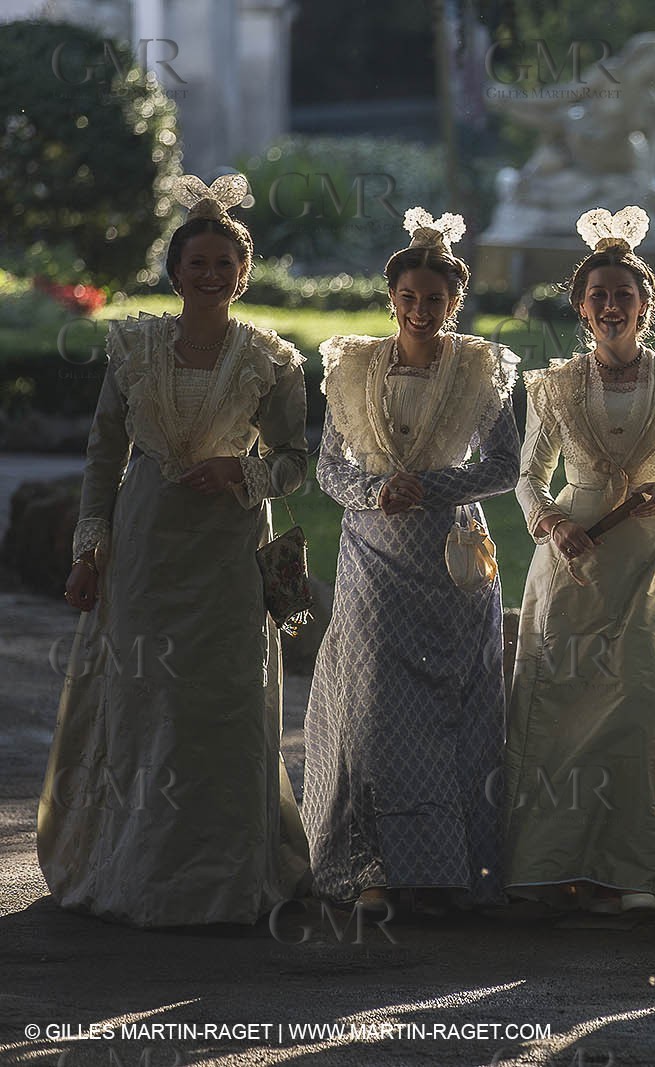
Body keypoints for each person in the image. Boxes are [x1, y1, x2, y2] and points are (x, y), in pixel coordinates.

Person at [38, 174, 310, 927]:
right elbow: (102, 458)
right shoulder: (133, 347)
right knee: (143, 700)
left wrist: (242, 469)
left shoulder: (272, 359)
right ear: (176, 270)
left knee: (221, 704)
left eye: (226, 263)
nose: (213, 275)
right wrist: (87, 553)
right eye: (199, 262)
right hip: (145, 545)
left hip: (227, 547)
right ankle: (134, 861)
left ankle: (226, 871)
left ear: (243, 272)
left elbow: (295, 459)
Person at [503, 206, 655, 911]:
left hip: (654, 560)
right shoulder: (554, 387)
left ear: (646, 306)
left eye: (624, 296)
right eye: (598, 296)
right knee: (566, 708)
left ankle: (633, 867)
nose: (611, 307)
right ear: (580, 306)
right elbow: (527, 475)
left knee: (638, 703)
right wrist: (546, 520)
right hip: (573, 561)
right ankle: (557, 862)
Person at [302, 209, 519, 916]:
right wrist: (375, 491)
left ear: (453, 304)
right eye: (410, 297)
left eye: (436, 300)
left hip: (453, 560)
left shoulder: (480, 369)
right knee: (372, 707)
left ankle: (449, 867)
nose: (421, 310)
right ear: (391, 296)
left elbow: (507, 465)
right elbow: (329, 469)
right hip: (372, 554)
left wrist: (431, 487)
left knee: (453, 712)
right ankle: (373, 867)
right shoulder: (354, 367)